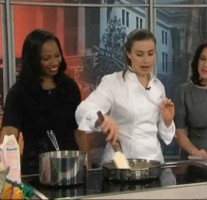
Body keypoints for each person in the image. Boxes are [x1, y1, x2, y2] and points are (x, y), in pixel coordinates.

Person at [75, 28, 175, 165]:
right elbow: (82, 111)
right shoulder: (113, 82)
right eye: (139, 54)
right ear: (129, 54)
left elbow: (166, 136)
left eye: (150, 53)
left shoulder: (159, 87)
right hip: (120, 164)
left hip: (154, 163)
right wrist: (101, 119)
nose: (146, 60)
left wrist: (167, 121)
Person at [0, 29, 81, 174]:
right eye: (46, 58)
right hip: (34, 172)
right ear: (33, 60)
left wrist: (87, 169)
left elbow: (79, 132)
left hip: (71, 169)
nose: (54, 62)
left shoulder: (69, 88)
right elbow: (8, 137)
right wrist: (9, 180)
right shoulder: (19, 93)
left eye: (57, 55)